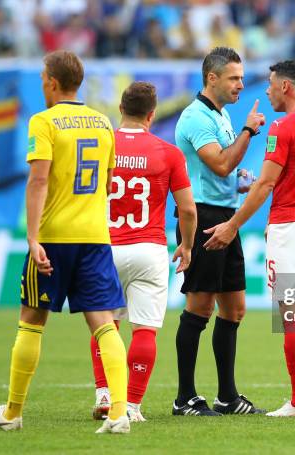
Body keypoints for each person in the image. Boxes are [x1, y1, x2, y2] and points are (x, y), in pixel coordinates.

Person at [0, 50, 130, 435]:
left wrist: (32, 237)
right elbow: (109, 181)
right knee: (104, 325)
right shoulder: (103, 123)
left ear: (51, 82)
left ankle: (12, 413)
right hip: (95, 237)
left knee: (31, 322)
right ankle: (118, 414)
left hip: (54, 237)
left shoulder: (43, 121)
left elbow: (39, 180)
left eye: (43, 78)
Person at [204, 60, 295, 417]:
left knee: (293, 314)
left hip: (293, 228)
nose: (265, 91)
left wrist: (232, 224)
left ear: (285, 87)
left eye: (269, 84)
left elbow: (266, 183)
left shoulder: (285, 126)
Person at [90, 81, 197, 422]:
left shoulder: (99, 146)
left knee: (105, 324)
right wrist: (188, 245)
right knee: (145, 330)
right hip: (148, 248)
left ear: (120, 109)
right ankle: (132, 405)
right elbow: (188, 210)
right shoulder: (168, 153)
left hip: (104, 248)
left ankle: (106, 394)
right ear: (152, 114)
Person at [172, 46, 266, 416]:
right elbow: (223, 164)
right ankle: (184, 398)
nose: (241, 84)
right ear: (212, 78)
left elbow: (222, 172)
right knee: (199, 307)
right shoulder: (196, 117)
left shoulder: (221, 115)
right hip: (203, 216)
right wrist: (248, 130)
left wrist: (237, 184)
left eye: (241, 77)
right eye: (234, 78)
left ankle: (227, 397)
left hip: (226, 215)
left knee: (235, 309)